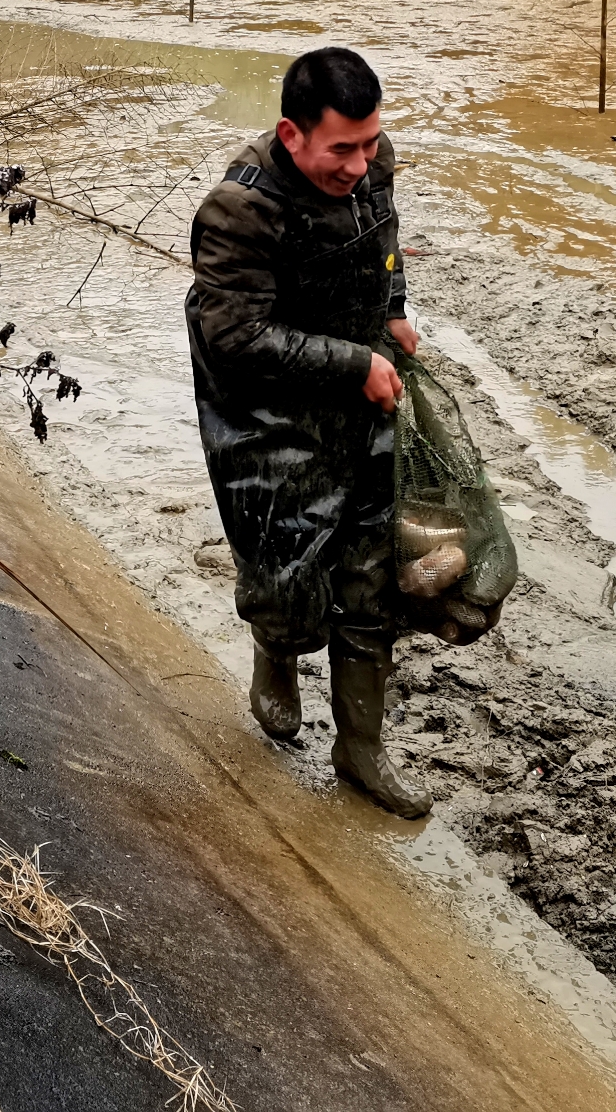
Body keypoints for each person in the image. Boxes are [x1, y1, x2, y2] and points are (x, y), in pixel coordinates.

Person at [185, 47, 429, 818]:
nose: (361, 163)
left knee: (372, 572)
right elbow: (235, 337)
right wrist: (350, 360)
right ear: (292, 135)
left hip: (358, 383)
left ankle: (359, 752)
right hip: (265, 406)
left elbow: (383, 239)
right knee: (286, 570)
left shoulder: (372, 159)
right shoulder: (238, 209)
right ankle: (275, 648)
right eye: (342, 149)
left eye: (369, 143)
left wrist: (390, 310)